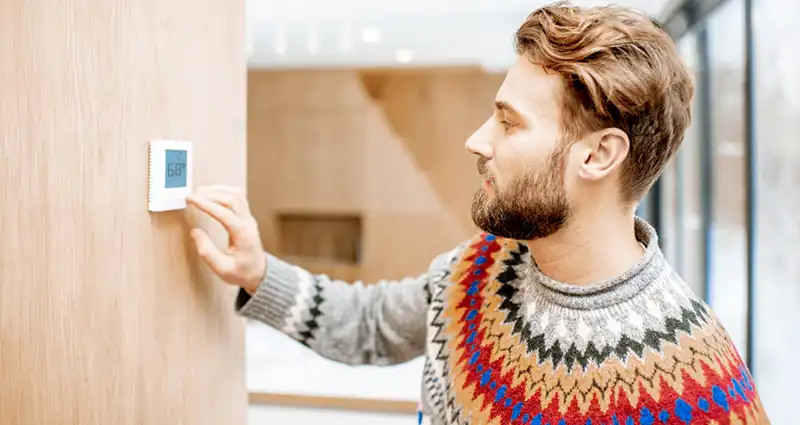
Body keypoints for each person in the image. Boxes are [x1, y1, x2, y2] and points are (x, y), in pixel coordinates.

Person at [186, 2, 770, 424]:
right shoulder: (486, 263)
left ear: (598, 155)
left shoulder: (700, 390)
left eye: (510, 123)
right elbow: (372, 325)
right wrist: (258, 273)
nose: (477, 140)